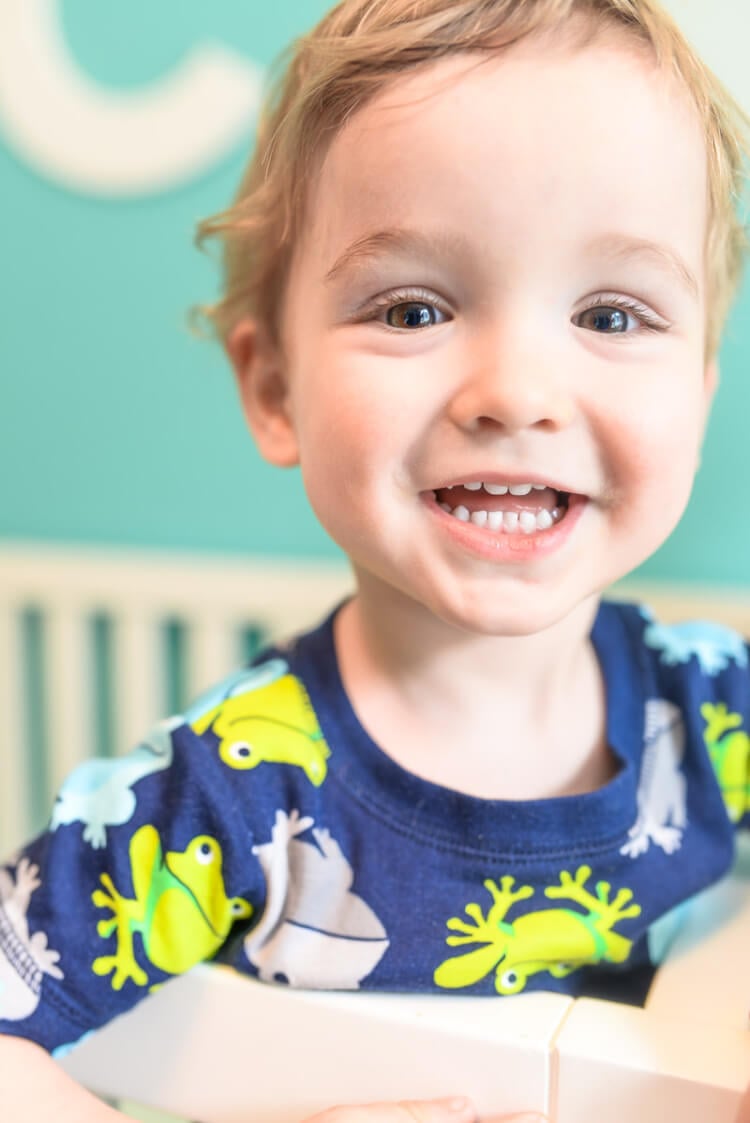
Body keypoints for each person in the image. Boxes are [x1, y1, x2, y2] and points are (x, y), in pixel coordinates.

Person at [1, 0, 749, 1120]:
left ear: (698, 391)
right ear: (274, 388)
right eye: (411, 308)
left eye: (612, 313)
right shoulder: (224, 798)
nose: (517, 393)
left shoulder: (717, 711)